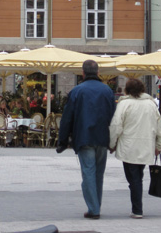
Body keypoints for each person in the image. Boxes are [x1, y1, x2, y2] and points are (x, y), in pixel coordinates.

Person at [57, 60, 116, 220]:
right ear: (98, 73)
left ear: (83, 73)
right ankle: (96, 205)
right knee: (99, 174)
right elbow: (114, 117)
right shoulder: (107, 91)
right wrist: (114, 140)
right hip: (103, 137)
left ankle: (93, 208)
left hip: (84, 137)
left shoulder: (77, 91)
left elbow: (67, 118)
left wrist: (62, 141)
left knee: (88, 172)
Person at [108, 78, 161, 219]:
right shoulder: (151, 105)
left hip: (128, 147)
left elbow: (116, 126)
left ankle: (137, 209)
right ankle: (136, 206)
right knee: (137, 176)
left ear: (127, 89)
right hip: (146, 146)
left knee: (133, 178)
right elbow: (159, 127)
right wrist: (159, 145)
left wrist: (112, 143)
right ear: (142, 89)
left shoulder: (124, 104)